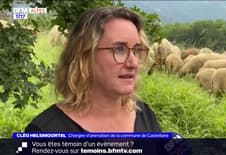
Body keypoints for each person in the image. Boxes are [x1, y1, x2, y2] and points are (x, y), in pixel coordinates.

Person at [25, 7, 161, 132]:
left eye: (136, 50)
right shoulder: (45, 132)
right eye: (119, 49)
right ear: (85, 56)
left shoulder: (145, 115)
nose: (134, 63)